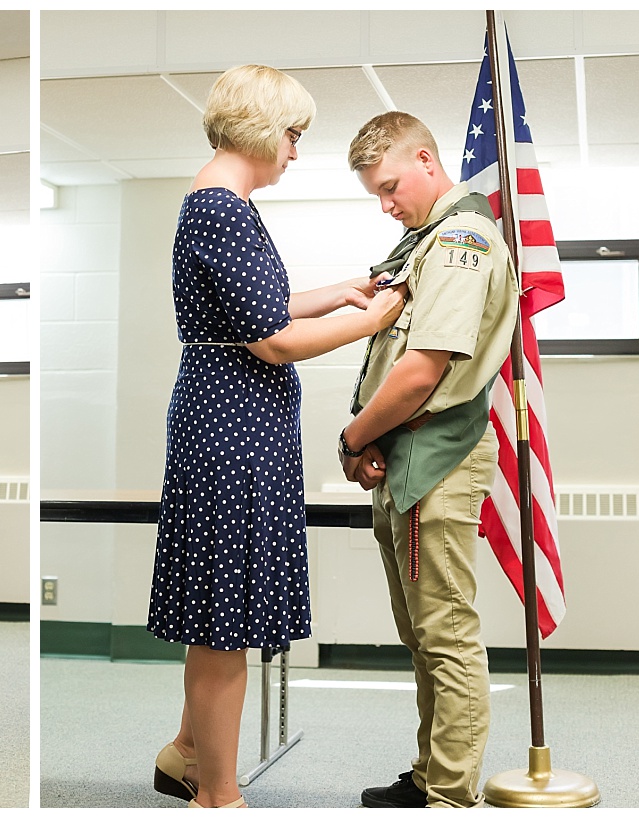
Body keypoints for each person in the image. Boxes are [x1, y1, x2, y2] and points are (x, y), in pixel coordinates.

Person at [146, 65, 405, 809]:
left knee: (223, 610)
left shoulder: (226, 205)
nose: (296, 152)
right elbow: (274, 341)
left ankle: (188, 752)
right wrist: (377, 317)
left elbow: (261, 306)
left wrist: (344, 291)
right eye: (294, 135)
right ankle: (216, 796)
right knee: (224, 621)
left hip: (235, 419)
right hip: (230, 423)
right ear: (262, 129)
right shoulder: (219, 208)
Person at [340, 111, 520, 808]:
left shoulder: (460, 240)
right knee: (422, 636)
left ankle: (450, 797)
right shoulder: (422, 242)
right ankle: (428, 778)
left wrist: (355, 438)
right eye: (376, 196)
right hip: (407, 455)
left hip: (437, 455)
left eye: (390, 188)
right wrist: (368, 438)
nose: (387, 207)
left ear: (424, 159)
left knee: (445, 635)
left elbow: (420, 373)